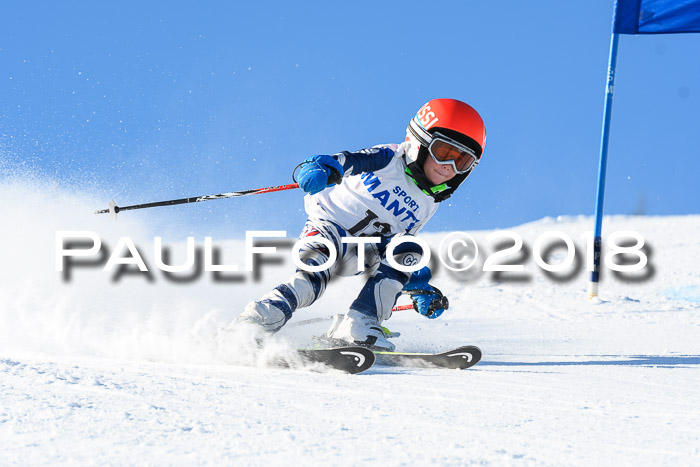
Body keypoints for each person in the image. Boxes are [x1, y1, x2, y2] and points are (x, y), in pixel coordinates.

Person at [235, 98, 486, 351]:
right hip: (328, 226)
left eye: (462, 162)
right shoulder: (389, 159)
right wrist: (317, 168)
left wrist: (419, 285)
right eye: (443, 153)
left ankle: (361, 323)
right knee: (313, 280)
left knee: (411, 247)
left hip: (365, 251)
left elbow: (398, 250)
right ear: (418, 142)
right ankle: (258, 320)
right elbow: (345, 160)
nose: (449, 167)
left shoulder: (429, 202)